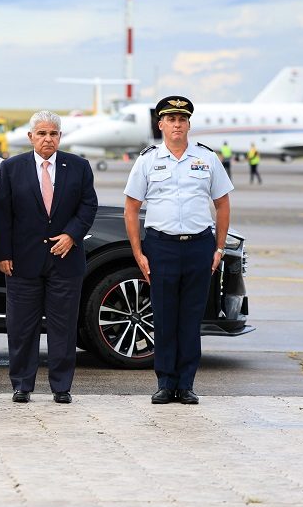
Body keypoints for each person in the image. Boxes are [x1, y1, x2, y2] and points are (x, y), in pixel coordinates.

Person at [123, 96, 233, 405]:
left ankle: (186, 384)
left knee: (191, 318)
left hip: (199, 247)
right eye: (170, 119)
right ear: (161, 124)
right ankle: (164, 382)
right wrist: (138, 253)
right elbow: (131, 209)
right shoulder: (147, 160)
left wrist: (219, 248)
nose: (177, 125)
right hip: (161, 247)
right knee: (164, 316)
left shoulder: (207, 159)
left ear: (188, 124)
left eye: (182, 119)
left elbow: (222, 204)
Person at [0, 110, 98, 404]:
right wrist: (3, 254)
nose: (47, 139)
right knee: (22, 328)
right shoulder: (12, 168)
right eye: (41, 133)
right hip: (22, 262)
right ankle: (22, 385)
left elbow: (88, 205)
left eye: (53, 134)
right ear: (31, 137)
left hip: (66, 261)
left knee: (62, 328)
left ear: (60, 137)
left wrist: (71, 235)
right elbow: (2, 214)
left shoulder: (78, 166)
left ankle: (61, 386)